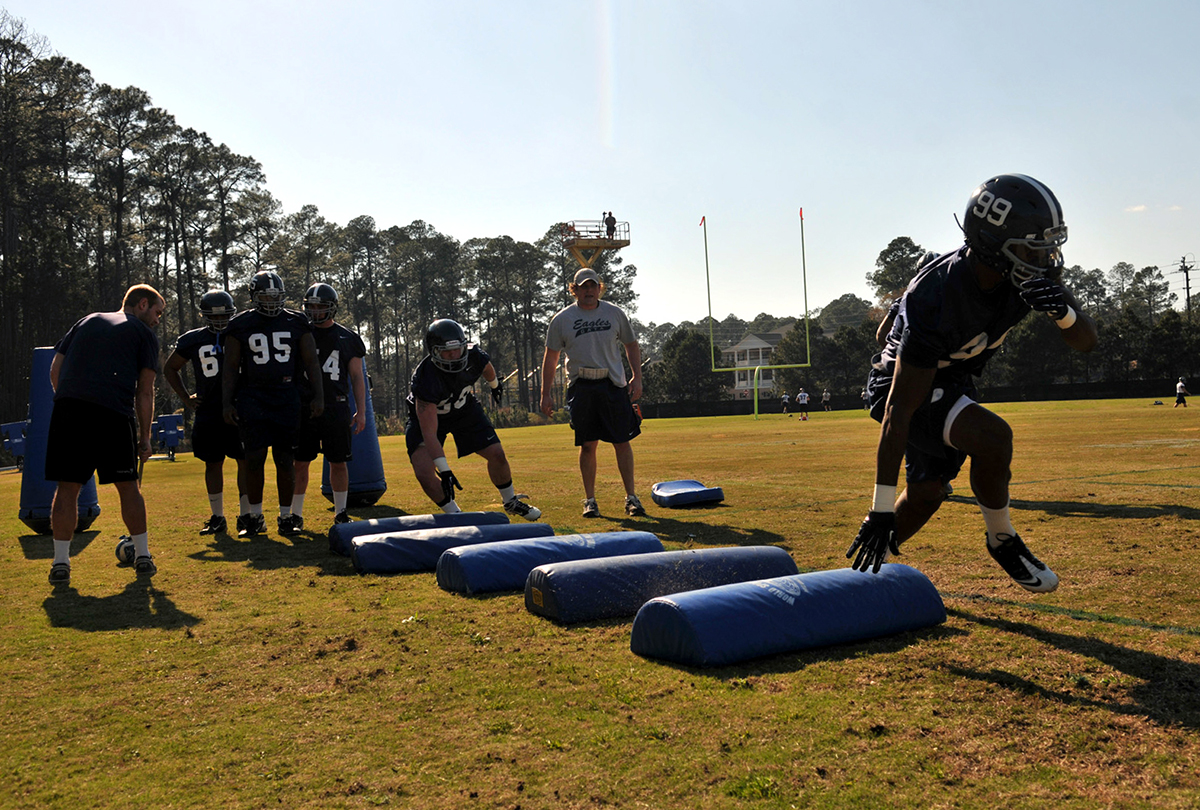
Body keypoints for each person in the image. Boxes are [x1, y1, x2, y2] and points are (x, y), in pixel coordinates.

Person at [847, 174, 1097, 594]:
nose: (1044, 258)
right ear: (992, 243)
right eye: (1029, 248)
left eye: (1047, 246)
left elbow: (1087, 341)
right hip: (897, 384)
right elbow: (898, 411)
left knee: (926, 494)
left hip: (950, 378)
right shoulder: (939, 293)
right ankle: (1002, 540)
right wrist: (880, 508)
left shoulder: (1026, 276)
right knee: (994, 437)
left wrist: (1064, 314)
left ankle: (859, 581)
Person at [45, 284, 166, 585]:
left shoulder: (88, 320)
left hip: (69, 409)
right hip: (113, 412)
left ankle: (60, 563)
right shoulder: (144, 334)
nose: (158, 319)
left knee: (67, 488)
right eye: (157, 312)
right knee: (128, 486)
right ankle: (143, 556)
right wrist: (146, 437)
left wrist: (69, 401)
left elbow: (55, 368)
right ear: (141, 304)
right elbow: (145, 391)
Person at [406, 319, 541, 520]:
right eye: (446, 351)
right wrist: (444, 470)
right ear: (434, 352)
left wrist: (495, 385)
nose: (453, 355)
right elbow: (429, 433)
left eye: (457, 350)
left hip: (464, 410)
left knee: (497, 453)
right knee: (424, 471)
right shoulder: (426, 378)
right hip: (429, 418)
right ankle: (456, 516)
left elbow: (487, 367)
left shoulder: (474, 356)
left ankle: (510, 500)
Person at [222, 271, 323, 537]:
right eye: (265, 296)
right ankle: (254, 517)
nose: (270, 301)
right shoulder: (240, 324)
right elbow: (231, 367)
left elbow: (312, 362)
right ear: (254, 296)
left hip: (286, 395)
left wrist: (318, 394)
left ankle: (286, 516)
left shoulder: (297, 321)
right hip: (252, 397)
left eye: (275, 296)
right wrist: (226, 403)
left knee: (285, 459)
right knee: (253, 458)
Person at [541, 268, 645, 518]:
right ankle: (590, 500)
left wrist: (637, 377)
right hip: (582, 386)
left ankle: (631, 498)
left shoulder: (614, 313)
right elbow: (551, 356)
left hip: (613, 385)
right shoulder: (562, 319)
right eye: (582, 286)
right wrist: (545, 393)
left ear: (600, 288)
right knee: (588, 445)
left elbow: (631, 344)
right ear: (573, 290)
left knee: (622, 441)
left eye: (593, 285)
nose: (588, 290)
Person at [164, 290, 247, 535]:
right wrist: (184, 397)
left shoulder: (241, 334)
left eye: (225, 316)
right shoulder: (193, 339)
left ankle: (246, 516)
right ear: (205, 315)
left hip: (239, 407)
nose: (220, 321)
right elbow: (170, 368)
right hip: (209, 409)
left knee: (245, 461)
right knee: (213, 463)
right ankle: (218, 516)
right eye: (214, 316)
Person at [287, 283, 368, 533]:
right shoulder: (298, 333)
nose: (315, 311)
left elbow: (357, 377)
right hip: (305, 407)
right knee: (300, 462)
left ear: (331, 308)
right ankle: (295, 515)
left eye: (320, 306)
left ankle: (341, 512)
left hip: (336, 406)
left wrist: (361, 410)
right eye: (310, 306)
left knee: (338, 462)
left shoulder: (348, 338)